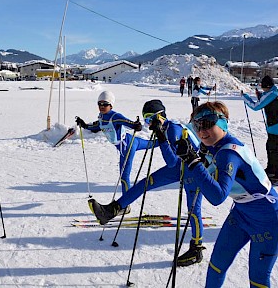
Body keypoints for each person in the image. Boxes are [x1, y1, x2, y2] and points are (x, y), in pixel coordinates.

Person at [89, 99, 206, 267]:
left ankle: (196, 249)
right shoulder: (164, 129)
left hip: (194, 170)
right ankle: (111, 210)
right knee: (144, 183)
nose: (149, 123)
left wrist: (161, 138)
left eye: (151, 118)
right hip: (179, 167)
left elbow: (172, 161)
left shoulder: (172, 129)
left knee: (193, 209)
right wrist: (159, 136)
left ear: (161, 115)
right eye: (146, 119)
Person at [174, 101, 278, 287]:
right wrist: (194, 156)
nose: (201, 131)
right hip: (241, 213)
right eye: (197, 125)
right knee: (216, 266)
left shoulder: (229, 153)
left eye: (207, 123)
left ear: (223, 123)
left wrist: (193, 162)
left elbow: (217, 196)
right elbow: (201, 176)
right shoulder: (213, 147)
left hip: (267, 218)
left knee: (258, 279)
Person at [76, 91, 147, 214]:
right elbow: (97, 126)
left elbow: (130, 124)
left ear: (111, 105)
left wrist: (136, 125)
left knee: (124, 177)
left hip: (128, 146)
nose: (102, 106)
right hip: (123, 147)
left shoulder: (115, 116)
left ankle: (126, 205)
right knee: (124, 176)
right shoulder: (102, 116)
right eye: (100, 104)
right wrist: (85, 125)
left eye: (105, 104)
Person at [242, 75, 278, 182]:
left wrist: (245, 97)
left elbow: (255, 106)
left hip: (275, 128)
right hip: (274, 128)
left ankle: (274, 173)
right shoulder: (273, 92)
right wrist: (260, 95)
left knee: (273, 150)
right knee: (271, 148)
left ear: (266, 86)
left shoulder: (272, 94)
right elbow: (266, 99)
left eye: (262, 86)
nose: (262, 88)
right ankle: (272, 170)